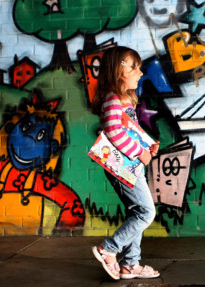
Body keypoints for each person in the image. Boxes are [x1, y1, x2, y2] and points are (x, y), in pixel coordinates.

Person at [90, 46, 160, 280]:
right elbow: (114, 133)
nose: (140, 73)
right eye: (135, 67)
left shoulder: (123, 99)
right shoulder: (111, 99)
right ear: (119, 72)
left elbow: (127, 131)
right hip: (122, 167)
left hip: (130, 165)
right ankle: (109, 248)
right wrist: (140, 153)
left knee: (136, 213)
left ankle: (131, 264)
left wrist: (146, 144)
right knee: (146, 213)